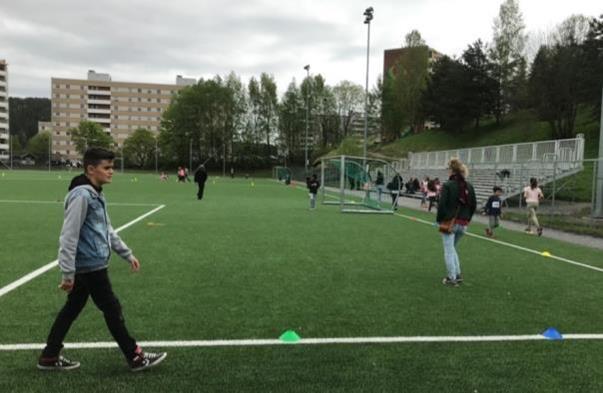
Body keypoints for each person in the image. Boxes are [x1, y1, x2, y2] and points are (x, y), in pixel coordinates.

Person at [37, 148, 166, 372]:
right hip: (89, 266)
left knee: (73, 308)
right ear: (90, 169)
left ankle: (49, 356)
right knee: (112, 308)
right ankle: (135, 356)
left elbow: (106, 229)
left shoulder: (96, 194)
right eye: (106, 167)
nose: (111, 172)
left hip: (92, 263)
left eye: (111, 167)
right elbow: (69, 235)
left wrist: (126, 253)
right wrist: (67, 273)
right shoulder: (82, 196)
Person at [436, 158, 477, 287]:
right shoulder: (469, 186)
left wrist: (440, 219)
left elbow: (442, 205)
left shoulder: (448, 185)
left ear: (451, 170)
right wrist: (467, 219)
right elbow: (473, 205)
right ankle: (457, 274)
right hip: (463, 223)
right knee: (452, 248)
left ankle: (451, 277)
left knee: (448, 250)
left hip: (450, 221)